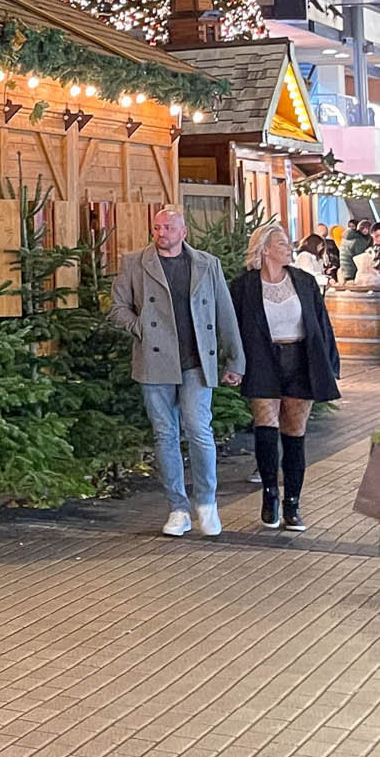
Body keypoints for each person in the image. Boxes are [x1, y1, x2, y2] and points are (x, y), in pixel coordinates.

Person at [110, 203, 245, 538]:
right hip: (155, 362)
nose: (161, 234)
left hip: (197, 362)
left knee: (199, 430)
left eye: (168, 228)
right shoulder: (135, 264)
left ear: (183, 232)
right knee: (165, 435)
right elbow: (116, 309)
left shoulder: (205, 264)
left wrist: (235, 361)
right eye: (157, 228)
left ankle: (207, 504)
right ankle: (178, 507)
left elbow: (225, 313)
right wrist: (141, 327)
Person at [231, 221, 340, 532]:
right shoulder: (244, 286)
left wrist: (331, 364)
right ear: (265, 249)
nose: (290, 248)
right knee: (266, 426)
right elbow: (232, 328)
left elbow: (322, 324)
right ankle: (270, 496)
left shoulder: (304, 281)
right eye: (282, 244)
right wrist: (233, 364)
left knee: (294, 431)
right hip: (263, 358)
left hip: (300, 359)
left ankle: (293, 503)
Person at [339, 216, 373, 282]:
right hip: (352, 271)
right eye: (364, 228)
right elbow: (362, 259)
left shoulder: (346, 237)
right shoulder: (358, 240)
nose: (366, 230)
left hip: (345, 270)